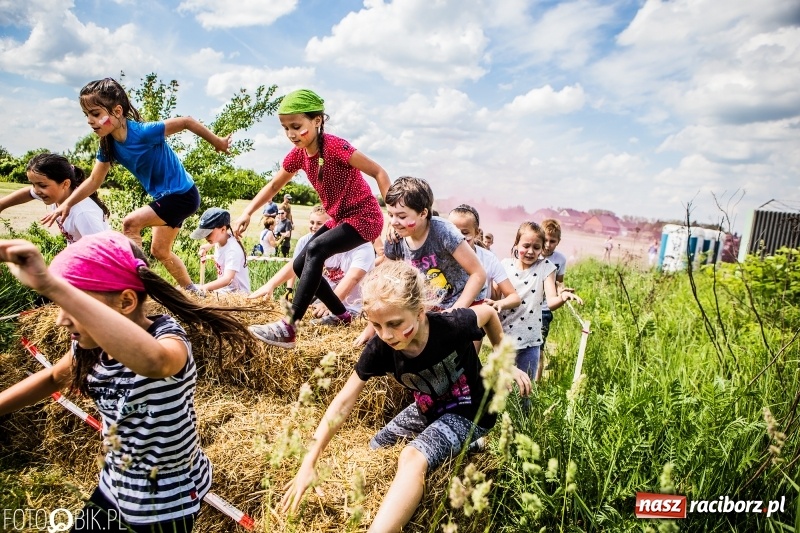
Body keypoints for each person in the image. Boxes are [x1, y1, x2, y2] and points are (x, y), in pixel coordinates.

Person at [0, 231, 256, 532]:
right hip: (115, 485)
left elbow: (155, 362)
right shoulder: (90, 347)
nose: (61, 320)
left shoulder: (168, 340)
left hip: (164, 506)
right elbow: (55, 376)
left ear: (125, 301)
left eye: (76, 304)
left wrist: (51, 285)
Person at [280, 260, 531, 531]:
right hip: (428, 408)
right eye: (376, 325)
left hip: (471, 412)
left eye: (395, 324)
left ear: (420, 311)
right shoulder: (380, 348)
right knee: (377, 447)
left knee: (412, 457)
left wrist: (504, 361)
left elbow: (489, 314)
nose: (386, 335)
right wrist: (310, 460)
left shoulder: (452, 325)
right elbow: (343, 401)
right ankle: (471, 446)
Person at [233, 89, 390, 349]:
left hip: (364, 216)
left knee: (316, 249)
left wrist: (393, 213)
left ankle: (288, 327)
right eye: (285, 128)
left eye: (297, 126)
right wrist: (247, 212)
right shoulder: (297, 155)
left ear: (317, 121)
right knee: (299, 265)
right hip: (340, 218)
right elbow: (273, 186)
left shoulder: (336, 147)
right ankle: (341, 315)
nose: (291, 134)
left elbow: (378, 172)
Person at [42, 77, 231, 291]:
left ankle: (135, 287)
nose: (90, 121)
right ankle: (192, 292)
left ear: (117, 111)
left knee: (130, 223)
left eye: (95, 114)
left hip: (182, 195)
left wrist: (218, 142)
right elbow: (94, 181)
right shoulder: (108, 146)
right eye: (87, 115)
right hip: (167, 199)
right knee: (160, 250)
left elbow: (187, 121)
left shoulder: (142, 132)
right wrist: (68, 204)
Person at [354, 177, 486, 346]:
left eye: (401, 216)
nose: (394, 222)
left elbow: (478, 273)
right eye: (391, 215)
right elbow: (384, 287)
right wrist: (370, 329)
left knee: (465, 360)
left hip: (466, 300)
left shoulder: (444, 233)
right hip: (433, 304)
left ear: (423, 213)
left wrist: (457, 310)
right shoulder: (396, 240)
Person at [250, 206, 375, 325]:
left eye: (320, 224)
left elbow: (353, 278)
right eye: (313, 223)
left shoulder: (363, 247)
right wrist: (270, 285)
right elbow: (297, 264)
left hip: (353, 307)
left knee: (312, 327)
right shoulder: (314, 241)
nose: (316, 228)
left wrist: (328, 305)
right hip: (327, 302)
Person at [499, 222, 582, 380]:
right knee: (501, 387)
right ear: (516, 244)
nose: (531, 251)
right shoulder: (504, 265)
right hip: (505, 338)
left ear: (542, 248)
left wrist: (562, 297)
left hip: (531, 341)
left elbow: (551, 302)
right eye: (526, 246)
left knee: (526, 389)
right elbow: (494, 298)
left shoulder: (546, 267)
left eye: (536, 247)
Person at [0, 153, 109, 244]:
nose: (36, 190)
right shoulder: (59, 194)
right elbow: (28, 193)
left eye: (42, 185)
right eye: (33, 184)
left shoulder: (83, 213)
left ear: (65, 184)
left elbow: (103, 252)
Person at [191, 208, 250, 294]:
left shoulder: (232, 251)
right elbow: (222, 240)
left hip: (236, 294)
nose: (206, 237)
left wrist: (204, 287)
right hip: (224, 292)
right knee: (185, 288)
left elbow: (227, 279)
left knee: (193, 292)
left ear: (223, 229)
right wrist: (208, 245)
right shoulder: (222, 239)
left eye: (208, 233)